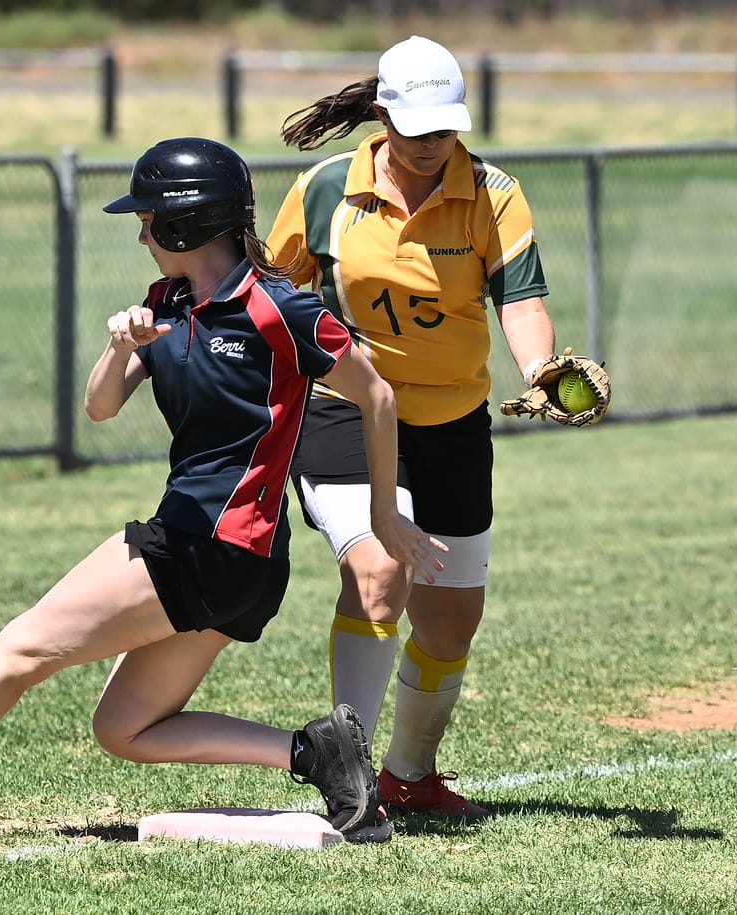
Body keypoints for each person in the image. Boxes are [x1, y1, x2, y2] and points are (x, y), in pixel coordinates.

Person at [0, 137, 446, 845]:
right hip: (232, 560)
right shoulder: (163, 301)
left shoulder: (281, 310)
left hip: (207, 546)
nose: (142, 231)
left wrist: (380, 517)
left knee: (19, 649)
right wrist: (123, 343)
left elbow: (376, 395)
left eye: (150, 219)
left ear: (185, 224)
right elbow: (99, 406)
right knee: (123, 727)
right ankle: (315, 753)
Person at [266, 36, 560, 821]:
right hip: (345, 411)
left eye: (446, 127)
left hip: (451, 421)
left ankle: (406, 774)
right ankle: (347, 781)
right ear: (382, 114)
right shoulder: (327, 188)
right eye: (418, 127)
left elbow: (521, 300)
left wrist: (540, 371)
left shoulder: (492, 191)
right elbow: (267, 289)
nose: (435, 144)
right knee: (378, 574)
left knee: (451, 619)